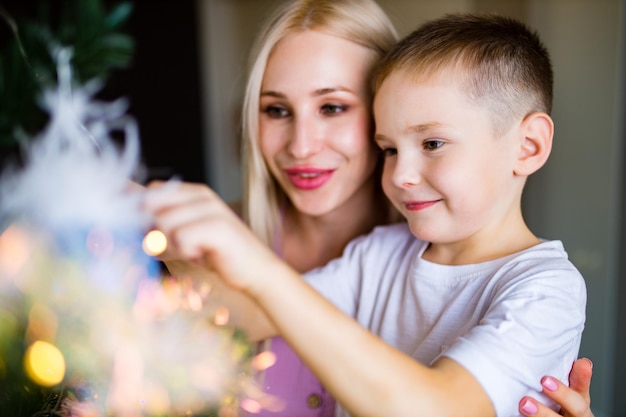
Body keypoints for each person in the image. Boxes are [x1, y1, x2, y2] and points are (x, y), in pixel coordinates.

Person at [152, 6, 593, 417]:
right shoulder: (381, 254)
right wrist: (142, 215)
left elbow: (436, 408)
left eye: (432, 143)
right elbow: (244, 315)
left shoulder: (546, 289)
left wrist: (261, 271)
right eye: (388, 149)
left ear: (528, 146)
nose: (400, 173)